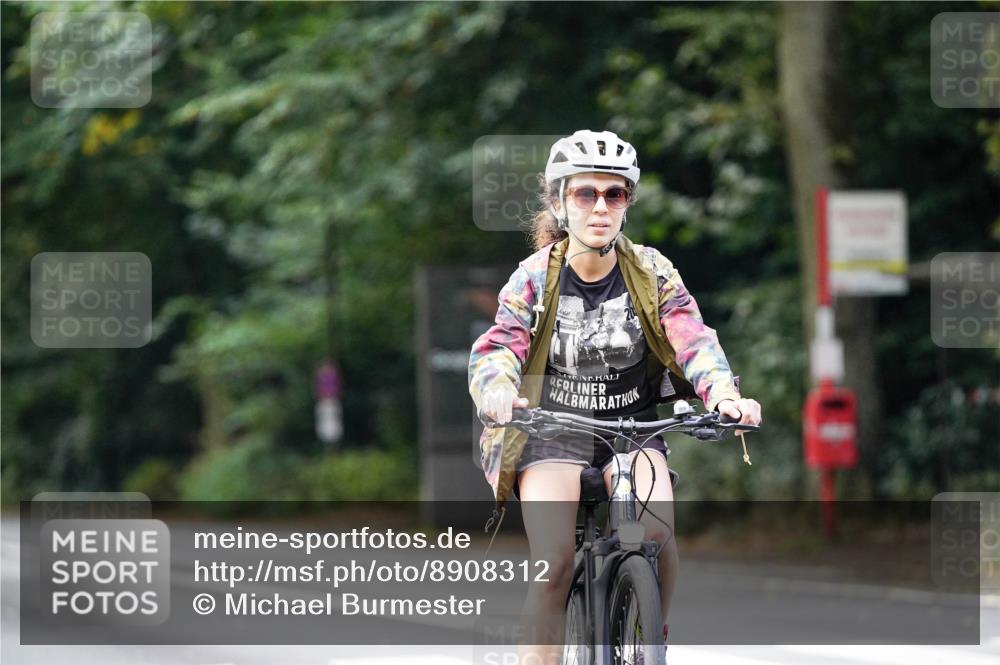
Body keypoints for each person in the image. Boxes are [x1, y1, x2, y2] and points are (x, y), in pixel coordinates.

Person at [468, 129, 762, 662]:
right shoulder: (532, 279)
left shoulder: (652, 272)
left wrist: (723, 393)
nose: (600, 207)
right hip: (551, 436)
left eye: (615, 193)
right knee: (554, 564)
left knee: (657, 534)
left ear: (627, 202)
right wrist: (498, 390)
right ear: (560, 202)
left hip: (633, 432)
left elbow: (692, 337)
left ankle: (651, 640)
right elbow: (498, 348)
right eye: (586, 194)